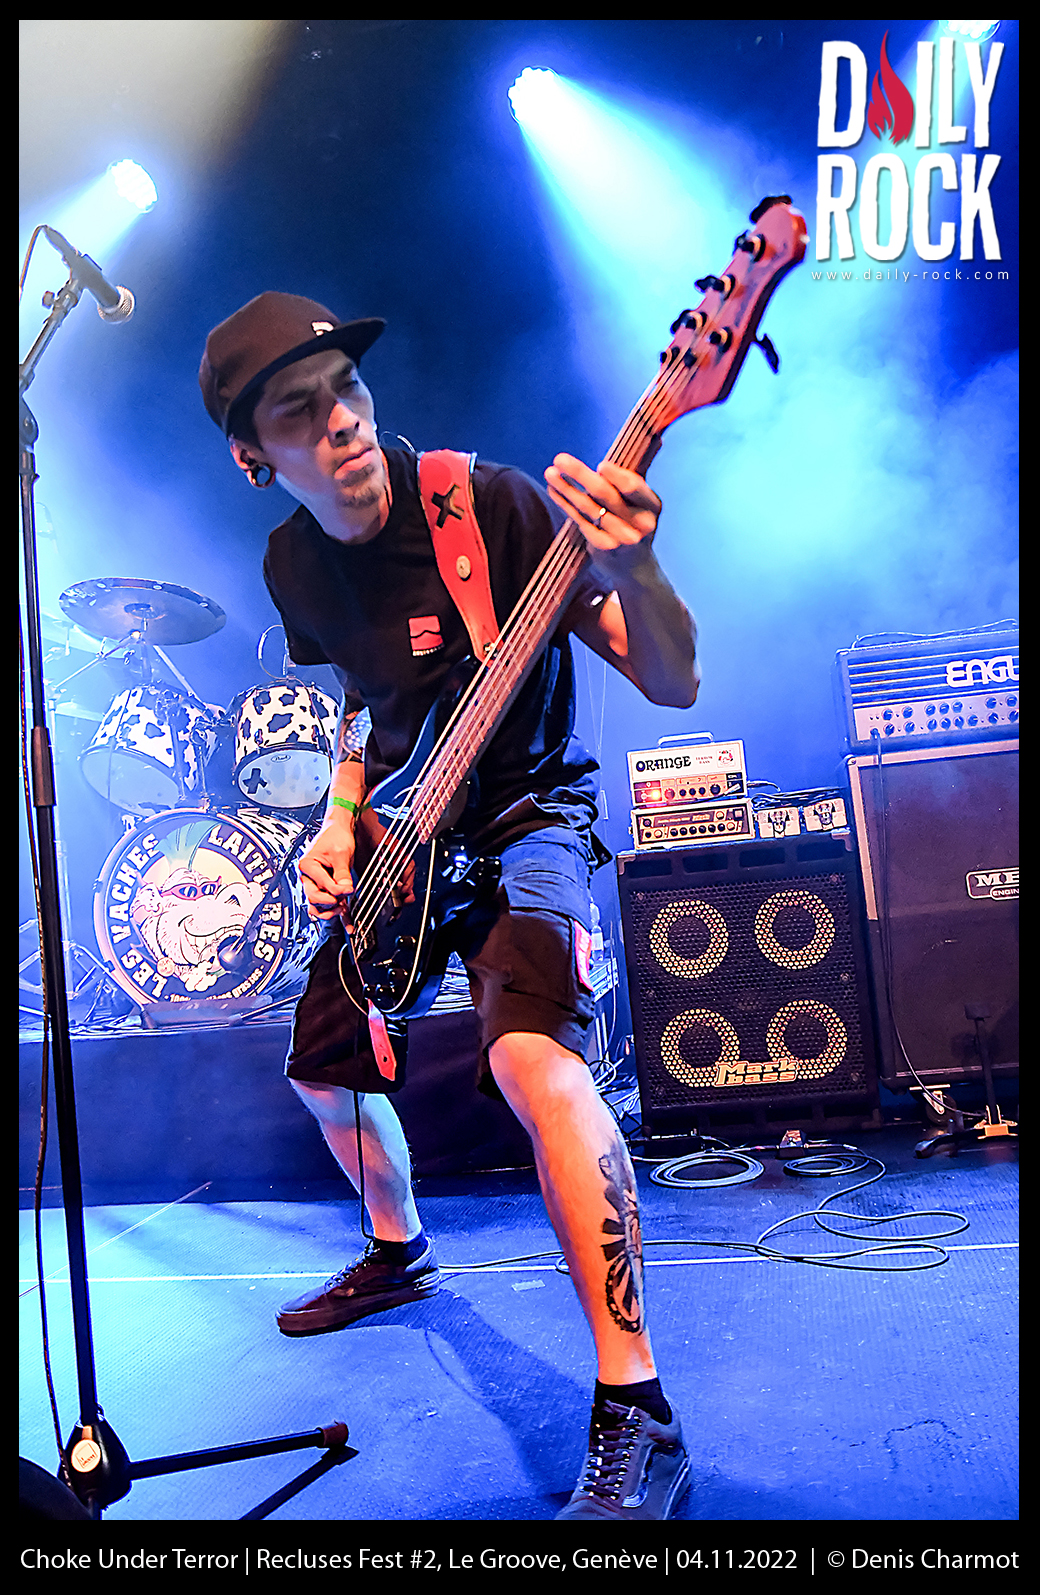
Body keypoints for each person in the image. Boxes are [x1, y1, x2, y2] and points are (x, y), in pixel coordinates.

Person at [199, 291, 700, 1521]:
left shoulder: (489, 505)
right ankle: (398, 1248)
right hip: (404, 835)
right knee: (323, 1061)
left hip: (529, 813)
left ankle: (637, 1405)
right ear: (254, 457)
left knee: (534, 1061)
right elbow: (363, 700)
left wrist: (634, 564)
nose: (342, 423)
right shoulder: (292, 563)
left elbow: (673, 679)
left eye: (347, 391)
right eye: (300, 412)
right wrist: (338, 817)